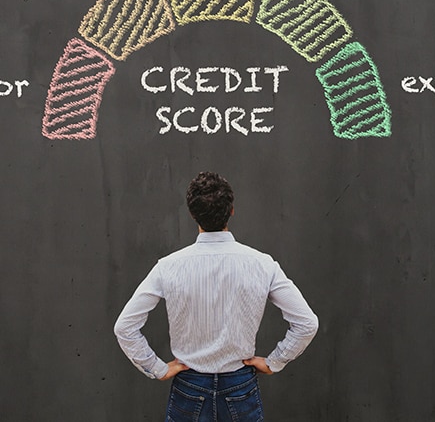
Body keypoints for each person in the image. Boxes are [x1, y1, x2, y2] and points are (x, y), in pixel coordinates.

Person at [113, 172, 319, 422]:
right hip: (240, 386)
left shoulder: (168, 267)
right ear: (231, 210)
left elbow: (125, 327)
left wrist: (157, 368)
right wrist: (275, 361)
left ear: (192, 214)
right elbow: (307, 323)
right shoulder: (262, 264)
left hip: (189, 386)